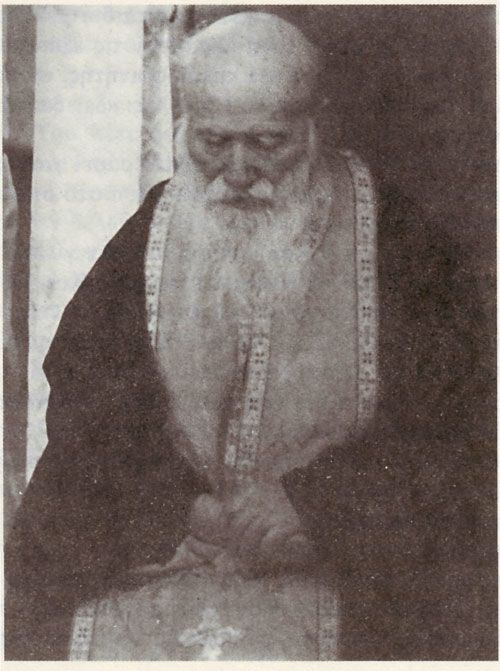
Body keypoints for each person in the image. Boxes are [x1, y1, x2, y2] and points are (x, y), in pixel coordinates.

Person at [5, 11, 495, 661]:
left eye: (267, 142)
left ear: (315, 125)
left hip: (342, 568)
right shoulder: (153, 231)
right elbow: (87, 406)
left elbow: (456, 429)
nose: (236, 170)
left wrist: (318, 507)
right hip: (169, 551)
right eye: (213, 142)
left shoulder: (402, 244)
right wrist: (177, 507)